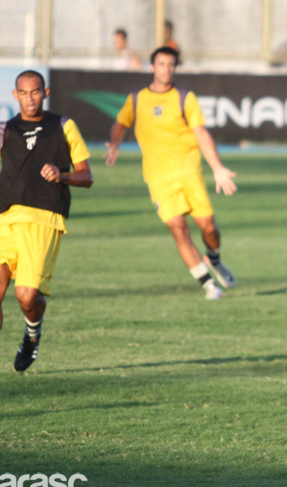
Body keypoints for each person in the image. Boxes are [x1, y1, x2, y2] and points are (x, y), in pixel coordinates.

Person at [0, 70, 93, 378]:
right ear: (15, 95)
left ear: (46, 92)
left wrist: (62, 175)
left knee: (27, 295)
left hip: (44, 219)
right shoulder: (3, 130)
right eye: (24, 93)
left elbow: (87, 175)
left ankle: (32, 332)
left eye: (36, 92)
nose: (31, 98)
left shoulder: (63, 126)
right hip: (6, 219)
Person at [104, 47, 237, 300]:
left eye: (170, 64)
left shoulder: (184, 97)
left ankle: (216, 260)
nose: (166, 69)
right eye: (161, 64)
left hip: (188, 172)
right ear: (152, 67)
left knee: (207, 226)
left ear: (175, 68)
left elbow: (201, 133)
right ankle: (209, 286)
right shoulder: (137, 98)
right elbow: (120, 123)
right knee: (178, 229)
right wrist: (115, 143)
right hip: (158, 178)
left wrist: (217, 168)